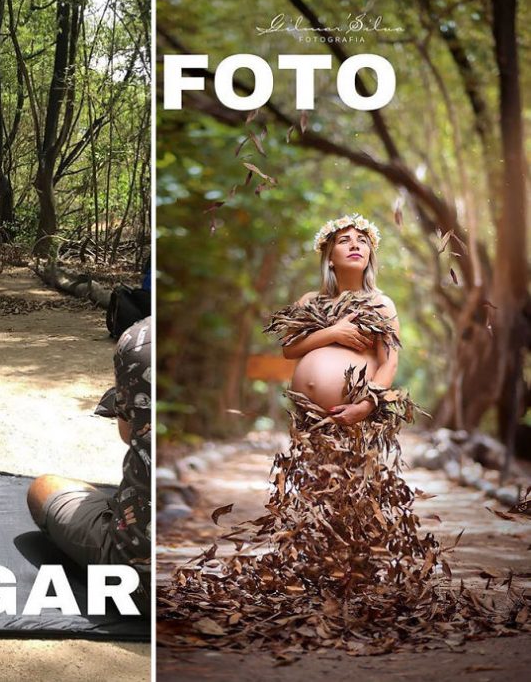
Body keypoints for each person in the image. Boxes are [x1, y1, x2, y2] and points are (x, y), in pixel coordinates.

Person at [159, 214, 459, 654]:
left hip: (358, 411)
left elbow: (389, 360)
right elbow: (289, 348)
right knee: (317, 494)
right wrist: (333, 331)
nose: (354, 245)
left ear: (371, 253)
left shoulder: (381, 303)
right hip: (311, 417)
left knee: (356, 495)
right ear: (330, 256)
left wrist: (368, 402)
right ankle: (320, 582)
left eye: (362, 240)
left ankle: (358, 589)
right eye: (344, 240)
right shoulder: (311, 300)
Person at [27, 317, 151, 614]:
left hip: (142, 585)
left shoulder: (140, 340)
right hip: (238, 589)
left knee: (43, 487)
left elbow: (127, 433)